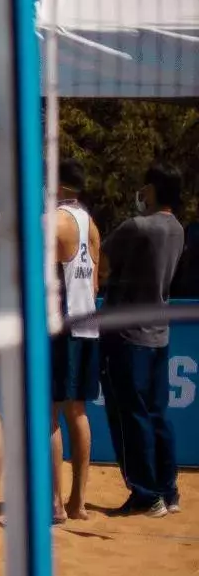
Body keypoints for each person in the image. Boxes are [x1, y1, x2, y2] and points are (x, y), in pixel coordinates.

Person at [100, 162, 185, 517]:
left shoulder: (137, 227)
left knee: (130, 415)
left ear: (152, 190)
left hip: (128, 332)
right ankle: (168, 489)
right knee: (156, 413)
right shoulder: (178, 229)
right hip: (158, 331)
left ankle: (145, 492)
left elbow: (102, 263)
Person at [50, 158, 99, 522]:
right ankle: (78, 502)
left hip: (61, 326)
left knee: (50, 413)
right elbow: (96, 282)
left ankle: (55, 503)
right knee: (78, 411)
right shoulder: (91, 225)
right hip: (88, 323)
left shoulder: (55, 221)